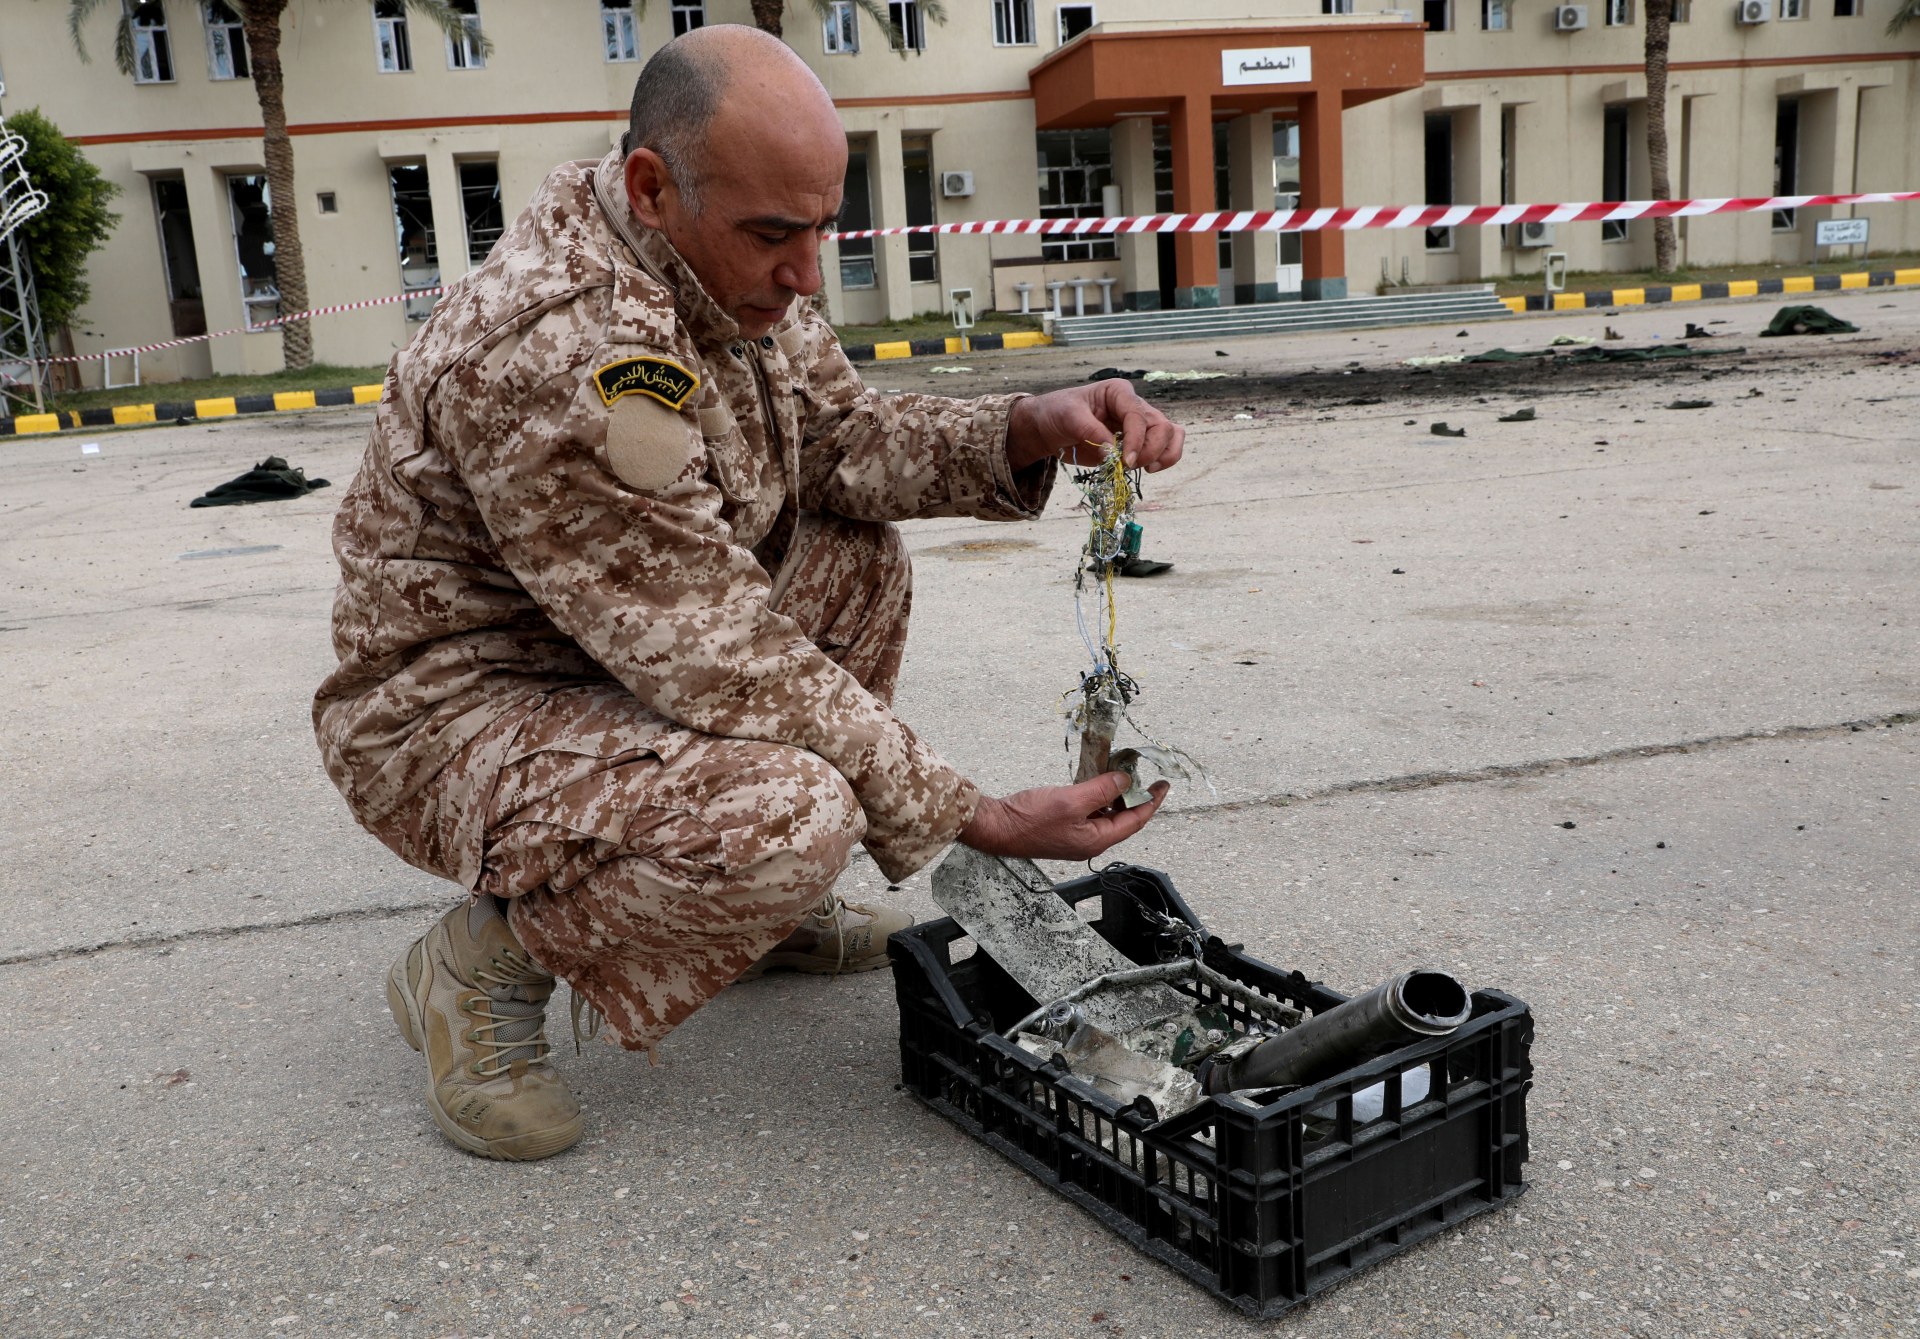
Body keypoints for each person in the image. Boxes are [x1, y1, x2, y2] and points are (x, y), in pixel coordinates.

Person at [314, 25, 1184, 1162]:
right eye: (776, 235)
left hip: (608, 652)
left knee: (856, 555)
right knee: (793, 815)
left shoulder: (712, 260)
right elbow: (715, 641)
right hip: (454, 712)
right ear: (651, 186)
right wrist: (979, 816)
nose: (807, 273)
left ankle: (755, 913)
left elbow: (839, 442)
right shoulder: (563, 346)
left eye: (823, 229)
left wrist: (1024, 425)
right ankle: (480, 968)